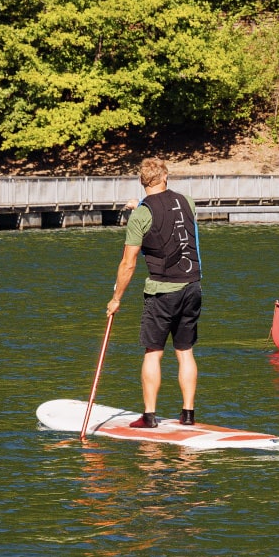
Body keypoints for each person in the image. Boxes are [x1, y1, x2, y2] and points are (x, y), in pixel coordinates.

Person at [107, 158, 201, 428]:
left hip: (162, 292)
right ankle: (188, 414)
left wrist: (116, 299)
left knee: (153, 351)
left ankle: (149, 417)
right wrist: (140, 206)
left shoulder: (141, 216)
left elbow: (129, 263)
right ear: (166, 177)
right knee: (185, 351)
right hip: (193, 286)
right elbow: (168, 219)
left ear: (141, 181)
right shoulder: (188, 202)